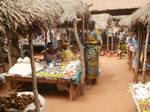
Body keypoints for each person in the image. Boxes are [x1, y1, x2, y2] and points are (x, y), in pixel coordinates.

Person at [85, 19, 102, 86]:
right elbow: (86, 40)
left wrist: (90, 43)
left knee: (93, 65)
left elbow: (99, 41)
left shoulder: (97, 32)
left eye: (90, 24)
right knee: (88, 65)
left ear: (93, 24)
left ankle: (94, 79)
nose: (88, 25)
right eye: (88, 24)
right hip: (88, 50)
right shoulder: (88, 32)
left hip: (94, 50)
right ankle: (89, 78)